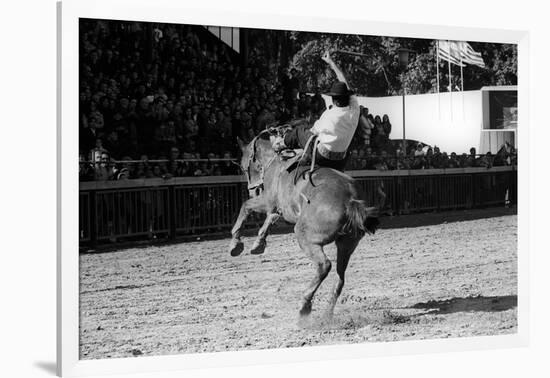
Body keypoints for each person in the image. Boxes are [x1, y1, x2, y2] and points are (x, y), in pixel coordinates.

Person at [270, 50, 360, 171]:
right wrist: (331, 63)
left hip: (322, 157)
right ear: (347, 96)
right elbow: (345, 83)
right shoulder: (355, 109)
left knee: (299, 132)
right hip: (340, 161)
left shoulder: (329, 115)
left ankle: (279, 143)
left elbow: (313, 132)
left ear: (333, 99)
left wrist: (330, 62)